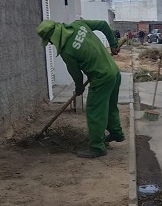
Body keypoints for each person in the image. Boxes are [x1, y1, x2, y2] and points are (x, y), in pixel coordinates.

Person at [36, 19, 126, 159]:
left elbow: (76, 73)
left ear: (53, 37)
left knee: (94, 110)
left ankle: (97, 147)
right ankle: (116, 133)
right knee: (109, 105)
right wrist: (113, 44)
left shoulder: (67, 50)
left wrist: (79, 87)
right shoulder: (79, 24)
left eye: (49, 41)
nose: (51, 44)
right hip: (114, 72)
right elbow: (103, 24)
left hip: (101, 77)